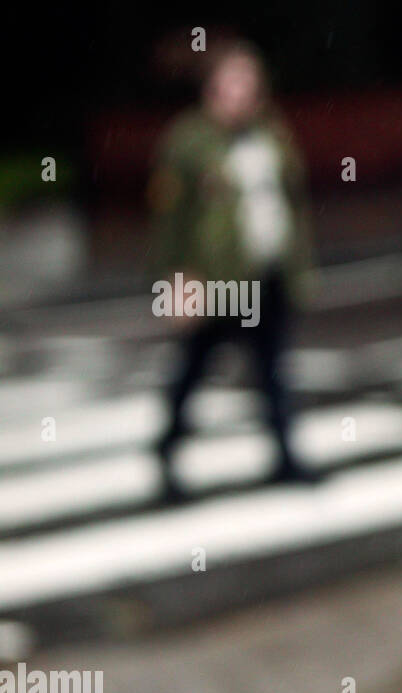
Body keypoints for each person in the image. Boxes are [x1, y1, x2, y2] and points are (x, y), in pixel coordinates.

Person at [149, 41, 316, 497]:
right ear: (211, 86)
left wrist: (299, 269)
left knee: (274, 368)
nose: (242, 90)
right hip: (218, 280)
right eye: (232, 80)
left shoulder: (271, 133)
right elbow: (171, 220)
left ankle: (285, 455)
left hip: (267, 272)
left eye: (249, 79)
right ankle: (167, 448)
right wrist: (176, 280)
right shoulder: (188, 141)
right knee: (196, 366)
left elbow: (292, 203)